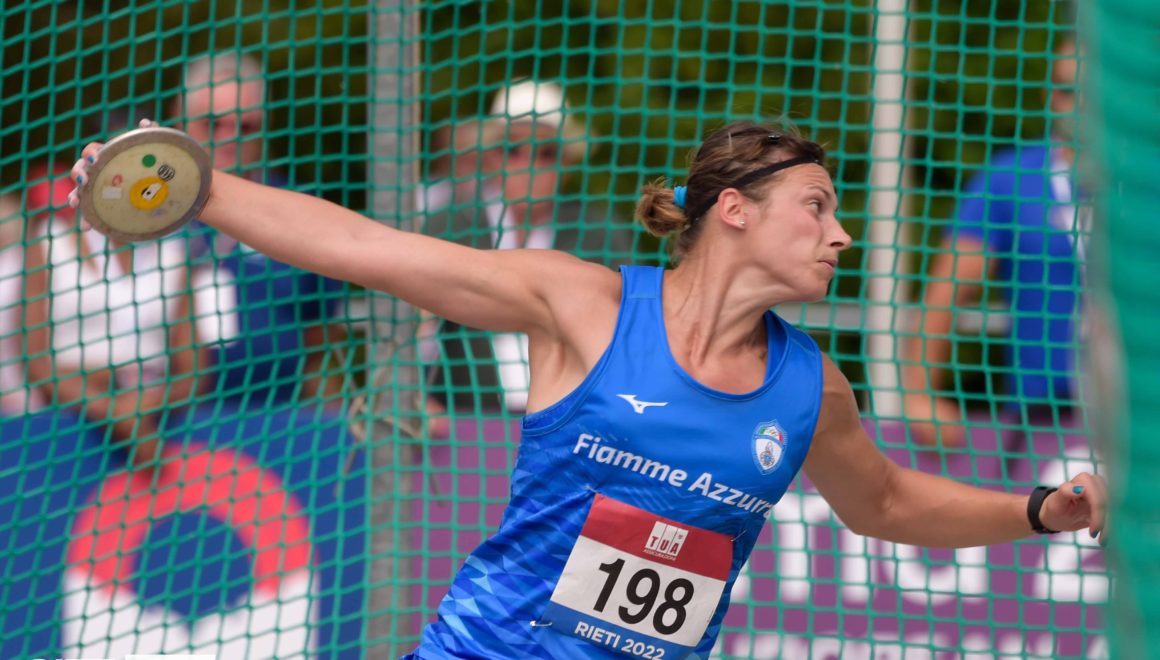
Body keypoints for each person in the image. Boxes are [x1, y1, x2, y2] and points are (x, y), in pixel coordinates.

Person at [70, 119, 1107, 659]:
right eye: (816, 206)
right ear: (734, 211)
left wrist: (1036, 511)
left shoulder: (810, 386)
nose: (841, 234)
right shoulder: (586, 305)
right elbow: (368, 249)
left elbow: (884, 502)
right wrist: (200, 187)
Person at [902, 38, 1086, 448]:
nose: (1079, 105)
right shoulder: (1011, 178)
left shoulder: (1146, 180)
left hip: (1142, 415)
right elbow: (946, 291)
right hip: (1044, 418)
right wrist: (920, 395)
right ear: (1049, 96)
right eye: (1066, 90)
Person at [422, 79, 638, 414]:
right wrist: (415, 397)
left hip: (570, 420)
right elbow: (414, 326)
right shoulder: (450, 226)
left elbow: (626, 334)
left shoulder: (600, 234)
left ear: (567, 163)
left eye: (546, 152)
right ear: (491, 158)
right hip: (464, 421)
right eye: (513, 149)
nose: (530, 163)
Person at [173, 51, 347, 409]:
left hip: (277, 422)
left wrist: (332, 424)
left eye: (246, 126)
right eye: (213, 123)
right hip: (165, 421)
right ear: (181, 121)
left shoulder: (296, 211)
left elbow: (322, 342)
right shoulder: (150, 208)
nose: (230, 137)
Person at [24, 167, 203, 467]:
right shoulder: (49, 243)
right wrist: (112, 411)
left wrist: (146, 405)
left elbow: (194, 369)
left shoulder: (172, 251)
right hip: (71, 429)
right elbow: (36, 362)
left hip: (158, 423)